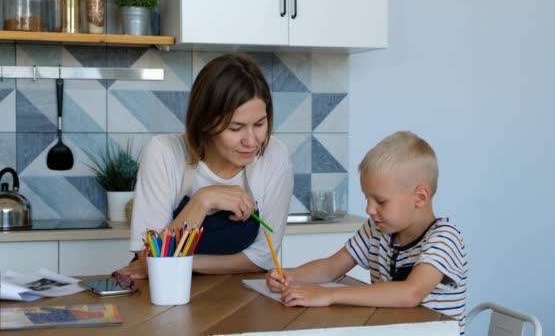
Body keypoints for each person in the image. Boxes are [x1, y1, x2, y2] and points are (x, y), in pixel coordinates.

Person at [266, 131, 467, 334]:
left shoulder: (444, 238)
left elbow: (410, 293)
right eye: (366, 199)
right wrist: (290, 276)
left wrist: (328, 295)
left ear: (420, 197)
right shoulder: (376, 230)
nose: (369, 210)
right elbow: (331, 267)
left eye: (380, 201)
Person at [119, 53, 294, 278]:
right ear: (204, 123)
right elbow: (148, 257)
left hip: (234, 295)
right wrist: (203, 200)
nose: (251, 141)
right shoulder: (164, 153)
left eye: (259, 124)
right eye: (235, 128)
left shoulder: (274, 156)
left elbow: (263, 257)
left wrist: (184, 262)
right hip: (160, 295)